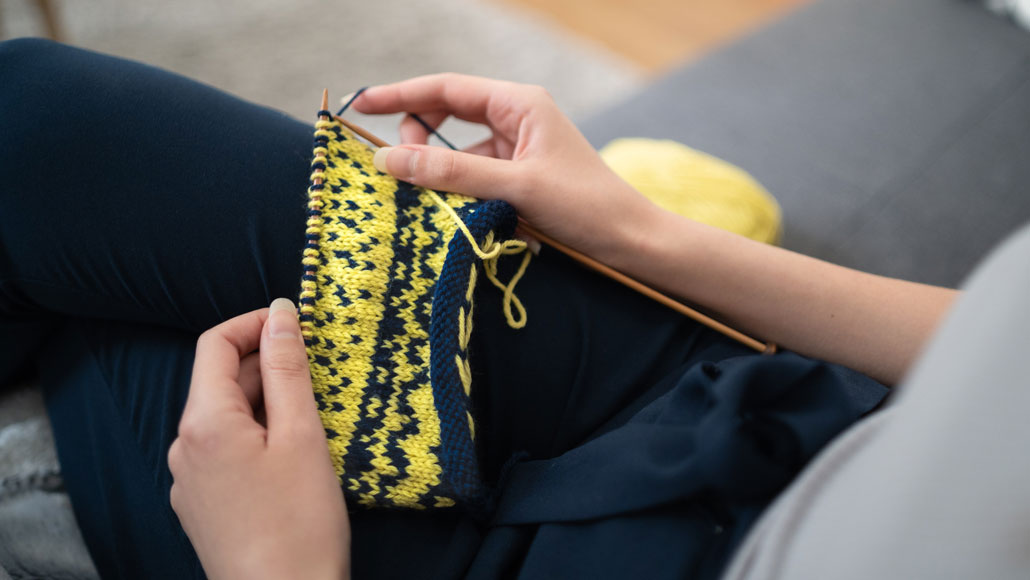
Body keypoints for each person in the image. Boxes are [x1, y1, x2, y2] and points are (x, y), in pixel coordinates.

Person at [2, 37, 1003, 580]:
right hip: (756, 412)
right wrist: (638, 235)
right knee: (32, 120)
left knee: (106, 374)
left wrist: (277, 566)